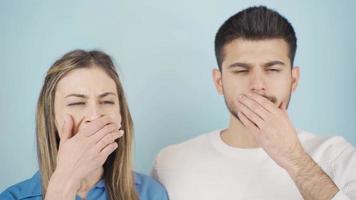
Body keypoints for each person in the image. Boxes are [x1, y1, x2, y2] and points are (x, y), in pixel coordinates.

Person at [152, 6, 356, 200]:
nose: (257, 85)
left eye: (273, 69)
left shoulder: (336, 156)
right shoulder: (170, 162)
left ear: (293, 80)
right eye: (241, 70)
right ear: (219, 82)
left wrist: (295, 159)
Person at [0, 50, 168, 200]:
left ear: (120, 115)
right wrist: (63, 184)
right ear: (51, 118)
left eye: (107, 101)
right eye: (76, 103)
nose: (95, 116)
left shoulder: (151, 193)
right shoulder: (13, 197)